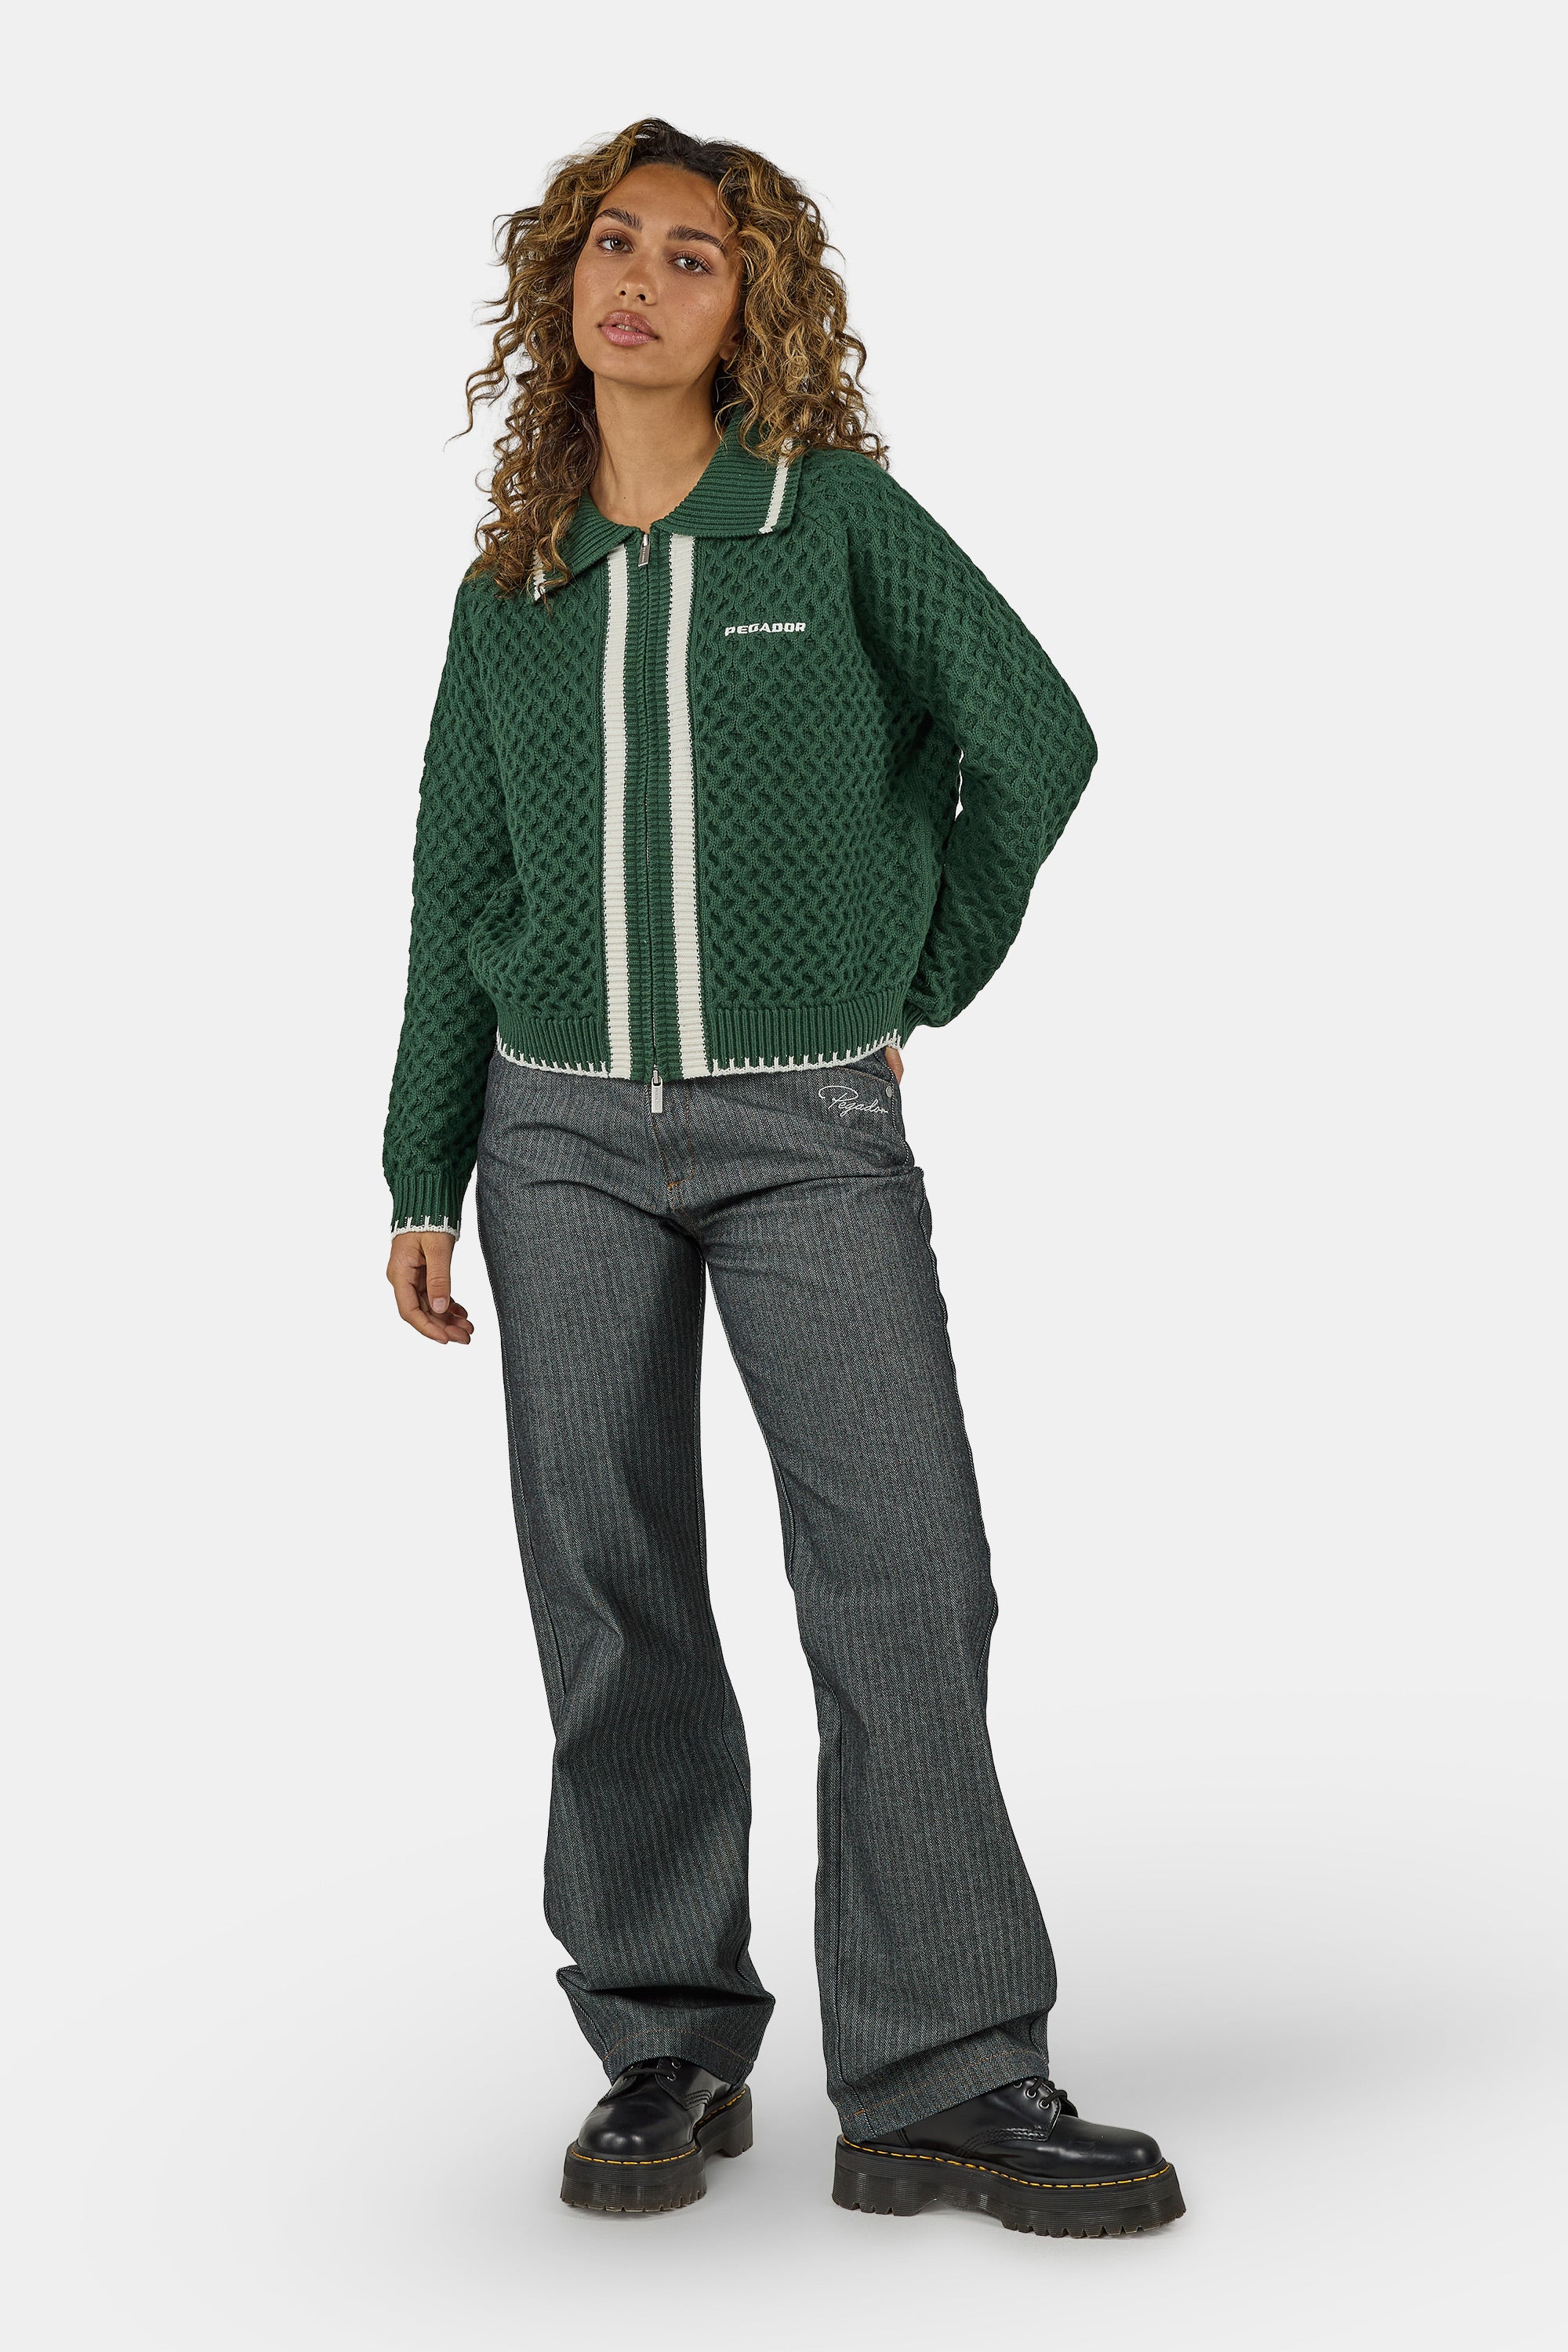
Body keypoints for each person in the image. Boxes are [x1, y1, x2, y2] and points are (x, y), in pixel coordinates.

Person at [383, 117, 1182, 2239]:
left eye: (695, 255)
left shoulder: (831, 521)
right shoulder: (514, 591)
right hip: (554, 1139)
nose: (641, 280)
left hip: (805, 1134)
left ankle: (945, 2073)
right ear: (560, 286)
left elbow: (1037, 738)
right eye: (612, 243)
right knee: (609, 1581)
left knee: (903, 1577)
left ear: (756, 311)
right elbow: (454, 882)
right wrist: (419, 1167)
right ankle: (663, 2038)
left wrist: (916, 972)